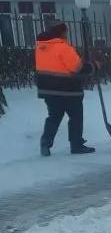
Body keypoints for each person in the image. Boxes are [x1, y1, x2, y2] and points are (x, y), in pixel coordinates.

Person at [35, 22, 99, 156]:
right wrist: (94, 66)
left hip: (48, 90)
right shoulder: (63, 48)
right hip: (68, 90)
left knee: (54, 117)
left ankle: (45, 143)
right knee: (76, 117)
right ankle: (76, 145)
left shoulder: (41, 47)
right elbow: (77, 68)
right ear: (62, 32)